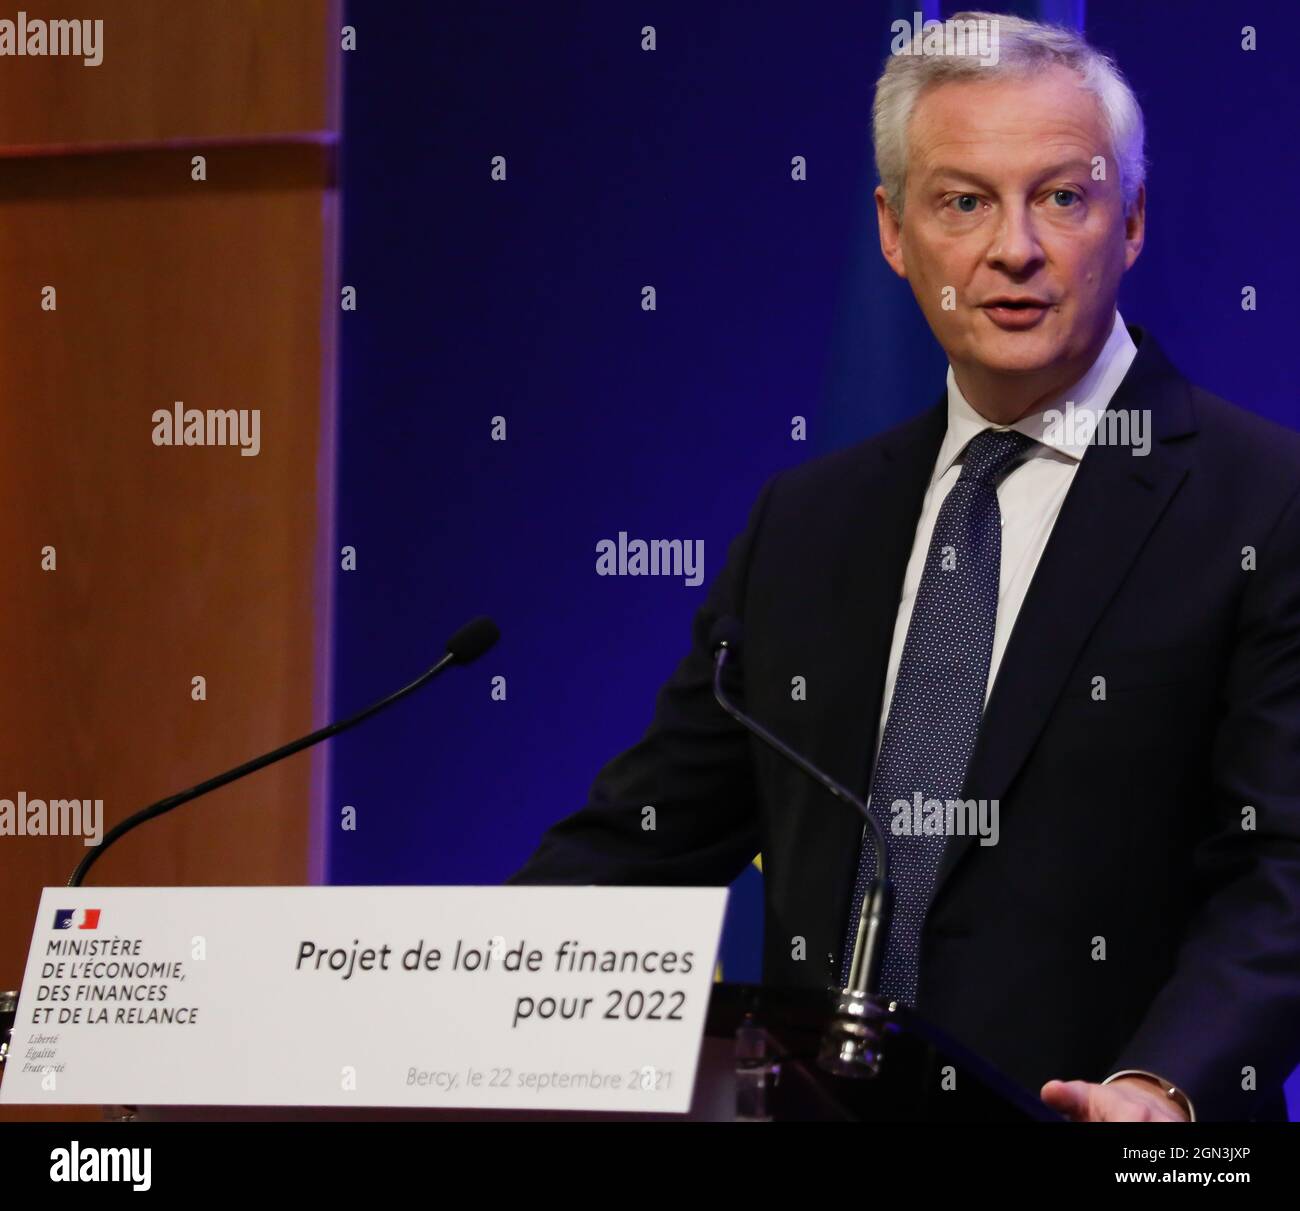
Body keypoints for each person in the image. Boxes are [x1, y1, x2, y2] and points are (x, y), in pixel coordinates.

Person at [509, 12, 1300, 1122]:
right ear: (894, 231)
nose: (1011, 247)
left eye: (1061, 197)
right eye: (962, 200)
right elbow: (653, 832)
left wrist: (1159, 1085)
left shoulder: (1262, 499)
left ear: (1129, 221)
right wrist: (431, 1000)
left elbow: (1287, 869)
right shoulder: (809, 521)